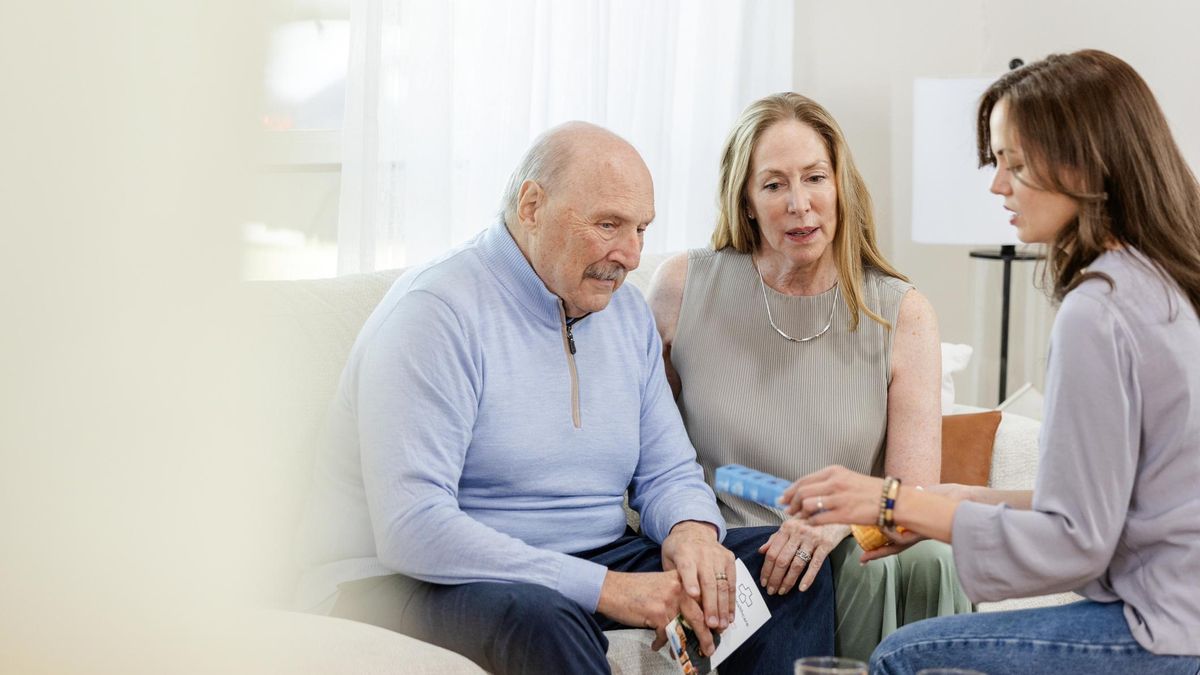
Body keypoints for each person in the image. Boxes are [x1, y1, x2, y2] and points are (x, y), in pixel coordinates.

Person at [295, 121, 834, 674]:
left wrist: (692, 533)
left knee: (782, 571)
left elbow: (667, 471)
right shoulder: (437, 313)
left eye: (641, 229)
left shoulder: (623, 312)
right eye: (608, 225)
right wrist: (606, 589)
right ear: (532, 205)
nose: (629, 254)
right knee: (545, 617)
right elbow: (413, 529)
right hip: (406, 579)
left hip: (587, 556)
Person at [783, 50, 1200, 675]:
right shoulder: (1164, 284)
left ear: (1084, 163)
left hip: (1163, 629)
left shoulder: (1101, 310)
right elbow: (1107, 506)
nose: (997, 185)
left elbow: (1075, 542)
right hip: (1182, 611)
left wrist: (897, 504)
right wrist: (961, 499)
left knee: (906, 656)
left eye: (1016, 164)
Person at [647, 92, 970, 661]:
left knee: (926, 559)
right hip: (732, 550)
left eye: (815, 178)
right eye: (773, 185)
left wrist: (838, 524)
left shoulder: (902, 311)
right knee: (833, 572)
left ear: (840, 185)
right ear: (746, 200)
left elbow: (912, 496)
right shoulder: (681, 289)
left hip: (852, 535)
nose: (800, 204)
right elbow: (646, 450)